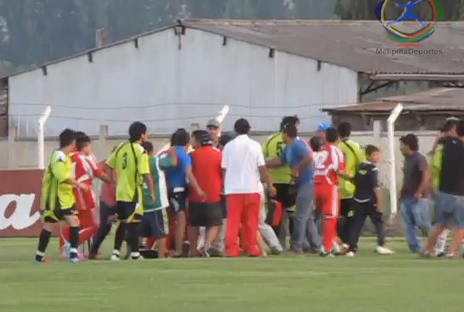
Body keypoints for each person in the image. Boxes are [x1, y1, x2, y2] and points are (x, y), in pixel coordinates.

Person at [222, 118, 276, 257]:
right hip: (252, 188)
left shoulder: (228, 146)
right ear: (249, 130)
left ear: (235, 130)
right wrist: (269, 185)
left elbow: (224, 169)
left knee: (233, 221)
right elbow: (262, 168)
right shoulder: (255, 145)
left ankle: (231, 250)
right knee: (251, 221)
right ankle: (251, 248)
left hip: (233, 190)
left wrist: (224, 186)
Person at [35, 129, 87, 263]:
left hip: (63, 197)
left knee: (51, 225)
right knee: (71, 222)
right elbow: (60, 175)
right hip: (56, 198)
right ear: (72, 142)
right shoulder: (59, 156)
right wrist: (78, 184)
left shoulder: (65, 156)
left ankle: (39, 257)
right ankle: (73, 256)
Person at [266, 123, 320, 254]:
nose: (281, 137)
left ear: (286, 134)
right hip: (302, 183)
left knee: (300, 216)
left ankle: (296, 246)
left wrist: (297, 169)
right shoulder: (289, 147)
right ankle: (316, 246)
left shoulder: (296, 145)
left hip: (307, 182)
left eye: (282, 134)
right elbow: (280, 161)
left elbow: (309, 156)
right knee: (307, 217)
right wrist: (262, 164)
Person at [106, 121, 154, 261]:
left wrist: (112, 182)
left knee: (126, 221)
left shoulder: (121, 147)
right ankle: (119, 252)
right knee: (131, 222)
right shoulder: (140, 151)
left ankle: (133, 253)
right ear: (142, 135)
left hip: (121, 192)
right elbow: (146, 174)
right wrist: (151, 192)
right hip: (133, 192)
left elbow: (109, 165)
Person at [60, 132, 111, 259]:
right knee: (92, 226)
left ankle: (69, 249)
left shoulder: (66, 156)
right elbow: (98, 173)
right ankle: (71, 246)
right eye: (89, 146)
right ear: (84, 146)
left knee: (73, 222)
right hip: (82, 191)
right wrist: (114, 182)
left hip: (68, 191)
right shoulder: (84, 157)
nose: (90, 148)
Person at [423, 120, 464, 258]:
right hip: (460, 192)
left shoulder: (446, 145)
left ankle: (427, 249)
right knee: (461, 225)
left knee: (440, 224)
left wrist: (438, 139)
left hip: (443, 190)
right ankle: (451, 252)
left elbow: (433, 150)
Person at [346, 145, 394, 256]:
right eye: (375, 155)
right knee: (378, 222)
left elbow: (354, 181)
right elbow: (375, 187)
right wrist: (379, 202)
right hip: (370, 200)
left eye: (378, 154)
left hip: (357, 200)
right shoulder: (373, 169)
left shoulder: (359, 167)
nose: (377, 157)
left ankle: (351, 249)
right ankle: (381, 245)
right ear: (368, 156)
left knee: (356, 225)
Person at [165, 128, 205, 257]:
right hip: (178, 191)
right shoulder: (184, 156)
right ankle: (178, 249)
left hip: (169, 190)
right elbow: (189, 174)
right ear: (187, 142)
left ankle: (171, 247)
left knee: (173, 221)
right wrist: (198, 190)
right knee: (181, 221)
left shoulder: (169, 153)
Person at [262, 116, 299, 249]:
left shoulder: (270, 140)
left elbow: (262, 159)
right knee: (292, 214)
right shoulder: (296, 141)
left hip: (274, 181)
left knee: (275, 213)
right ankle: (294, 244)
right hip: (290, 181)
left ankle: (276, 243)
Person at [313, 127, 349, 257]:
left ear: (325, 137)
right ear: (338, 137)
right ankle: (326, 248)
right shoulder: (336, 150)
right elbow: (339, 171)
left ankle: (333, 245)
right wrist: (352, 178)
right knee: (330, 218)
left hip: (316, 185)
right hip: (329, 185)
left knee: (323, 218)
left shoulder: (319, 151)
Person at [187, 130, 223, 257]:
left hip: (195, 195)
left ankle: (192, 249)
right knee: (214, 223)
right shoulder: (218, 155)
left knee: (193, 224)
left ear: (198, 140)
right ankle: (207, 245)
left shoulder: (191, 156)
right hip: (214, 194)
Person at [139, 141, 176, 259]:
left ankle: (134, 253)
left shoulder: (137, 162)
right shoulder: (154, 161)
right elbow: (173, 162)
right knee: (160, 232)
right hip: (156, 202)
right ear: (151, 151)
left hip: (141, 203)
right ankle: (161, 256)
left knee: (138, 231)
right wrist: (171, 152)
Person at [399, 134, 431, 253]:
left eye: (402, 145)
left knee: (422, 222)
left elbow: (426, 177)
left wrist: (419, 192)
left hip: (419, 197)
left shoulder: (419, 159)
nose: (400, 148)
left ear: (408, 145)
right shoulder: (407, 160)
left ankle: (436, 243)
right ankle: (415, 247)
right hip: (406, 196)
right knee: (407, 225)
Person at [336, 122, 365, 247]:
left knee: (339, 216)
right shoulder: (355, 146)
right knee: (352, 217)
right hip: (351, 186)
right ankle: (351, 242)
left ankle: (344, 241)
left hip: (337, 187)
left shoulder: (335, 147)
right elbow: (363, 163)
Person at [89, 147, 118, 259]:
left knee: (127, 225)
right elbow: (96, 170)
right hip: (107, 199)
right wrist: (107, 178)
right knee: (105, 227)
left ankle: (120, 251)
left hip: (120, 198)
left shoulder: (124, 165)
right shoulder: (107, 163)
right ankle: (93, 250)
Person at [209, 133, 234, 256]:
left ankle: (218, 245)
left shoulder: (221, 155)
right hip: (231, 191)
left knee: (222, 219)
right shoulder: (229, 155)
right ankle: (220, 245)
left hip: (223, 191)